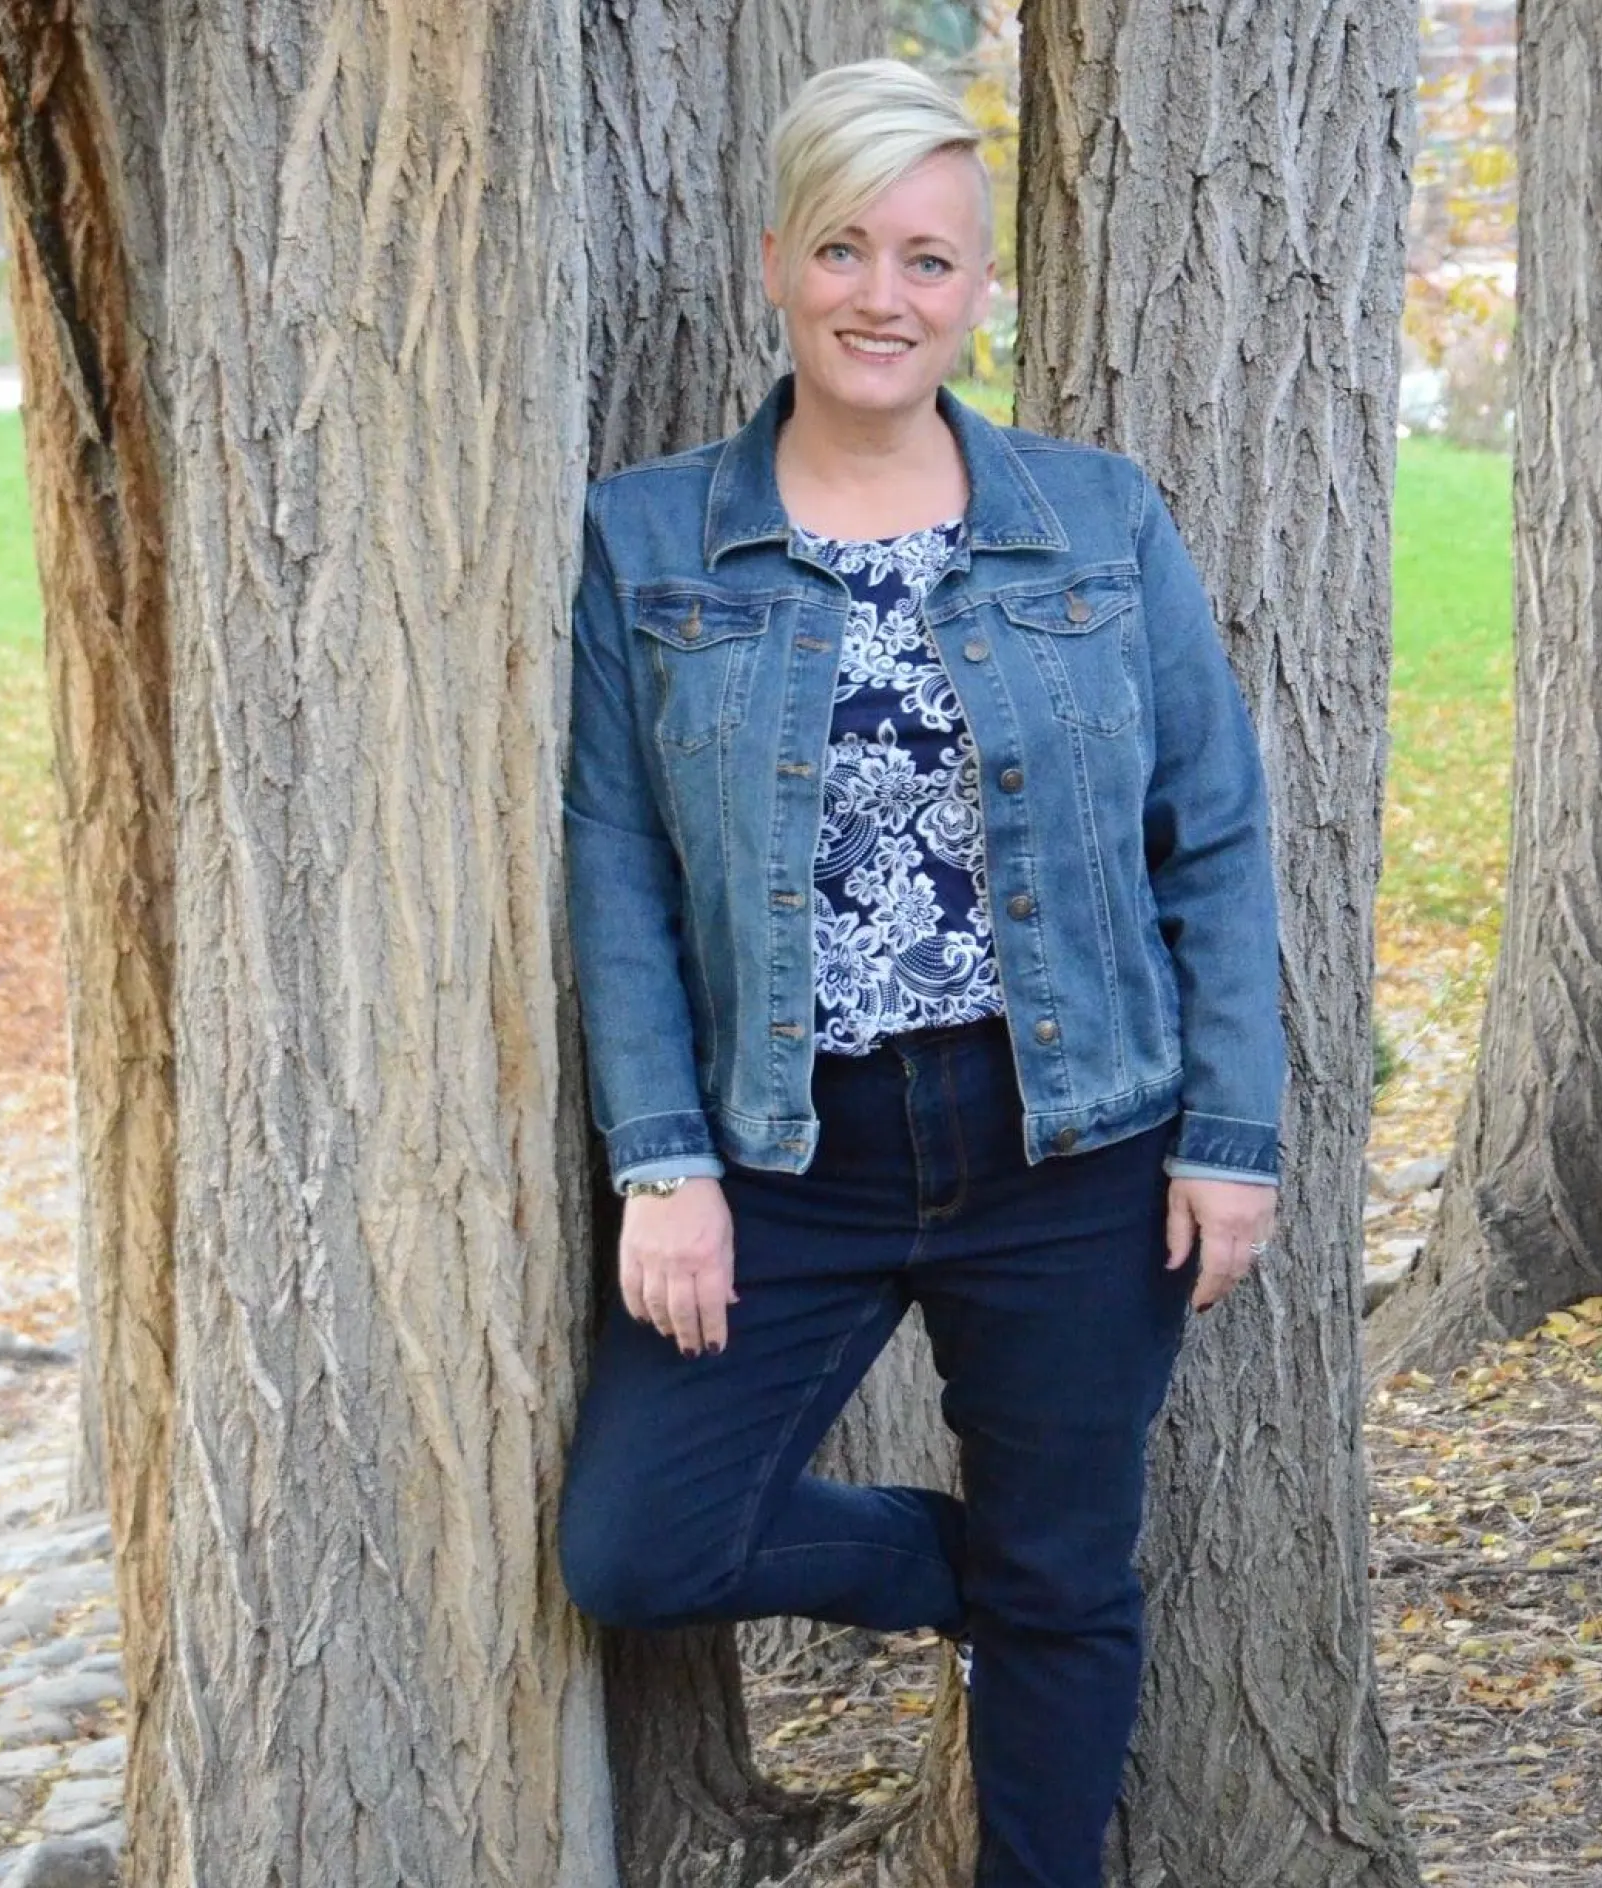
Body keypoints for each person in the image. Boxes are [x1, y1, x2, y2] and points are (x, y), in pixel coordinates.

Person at [557, 57, 1283, 1888]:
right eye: (849, 249)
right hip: (787, 1149)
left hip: (1074, 1139)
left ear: (977, 291)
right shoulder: (649, 541)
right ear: (782, 263)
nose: (889, 297)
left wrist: (1235, 1138)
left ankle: (1048, 1657)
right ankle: (1024, 1582)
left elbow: (1215, 830)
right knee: (640, 1547)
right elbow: (619, 866)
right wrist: (664, 1165)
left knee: (1063, 1588)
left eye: (934, 260)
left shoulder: (1097, 521)